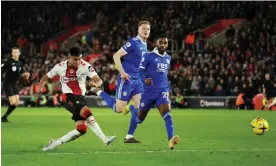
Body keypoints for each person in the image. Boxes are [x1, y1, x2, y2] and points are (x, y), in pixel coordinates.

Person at [38, 47, 116, 151]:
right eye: (75, 59)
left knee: (81, 129)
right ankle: (105, 139)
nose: (78, 62)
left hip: (80, 98)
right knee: (87, 112)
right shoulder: (60, 66)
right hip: (68, 96)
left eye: (79, 59)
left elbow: (99, 80)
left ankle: (54, 144)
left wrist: (95, 83)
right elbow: (45, 78)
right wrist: (40, 88)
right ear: (69, 58)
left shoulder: (85, 66)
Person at [123, 35, 179, 149]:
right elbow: (139, 72)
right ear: (156, 44)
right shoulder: (148, 56)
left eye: (165, 43)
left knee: (167, 115)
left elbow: (164, 75)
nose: (163, 45)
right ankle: (132, 108)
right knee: (139, 120)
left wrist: (169, 89)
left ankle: (171, 140)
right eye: (161, 42)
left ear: (167, 44)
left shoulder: (168, 58)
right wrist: (144, 79)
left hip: (162, 92)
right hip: (148, 93)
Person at [91, 21, 150, 114]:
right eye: (143, 28)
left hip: (138, 80)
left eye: (148, 29)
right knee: (118, 109)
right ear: (138, 30)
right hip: (127, 78)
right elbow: (116, 56)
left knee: (141, 106)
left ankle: (128, 108)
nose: (146, 30)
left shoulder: (145, 45)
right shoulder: (133, 42)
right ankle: (99, 92)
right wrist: (122, 73)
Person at [1, 47, 30, 122]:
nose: (15, 54)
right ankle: (3, 117)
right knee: (13, 102)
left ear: (19, 53)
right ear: (12, 53)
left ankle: (4, 117)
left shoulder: (20, 63)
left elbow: (22, 73)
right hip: (7, 83)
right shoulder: (7, 62)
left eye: (17, 52)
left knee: (16, 103)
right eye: (14, 52)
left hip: (14, 84)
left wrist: (26, 74)